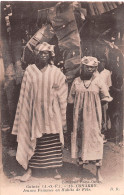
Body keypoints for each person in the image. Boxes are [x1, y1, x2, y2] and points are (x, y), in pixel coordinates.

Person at [12, 42, 68, 181]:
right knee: (34, 139)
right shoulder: (30, 71)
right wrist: (24, 116)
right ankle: (30, 170)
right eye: (41, 53)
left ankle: (54, 169)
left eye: (46, 53)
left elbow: (62, 95)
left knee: (52, 140)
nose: (43, 55)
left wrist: (62, 117)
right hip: (34, 113)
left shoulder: (56, 72)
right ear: (36, 54)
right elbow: (24, 95)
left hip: (52, 114)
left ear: (50, 55)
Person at [68, 56, 113, 182]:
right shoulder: (76, 81)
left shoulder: (99, 81)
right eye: (87, 67)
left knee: (96, 141)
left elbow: (105, 100)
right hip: (79, 119)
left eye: (93, 67)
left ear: (95, 68)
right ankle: (79, 172)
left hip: (94, 118)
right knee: (80, 142)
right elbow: (70, 101)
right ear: (82, 67)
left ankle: (98, 173)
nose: (90, 69)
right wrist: (71, 122)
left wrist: (104, 120)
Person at [98, 58, 112, 142]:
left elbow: (109, 85)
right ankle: (98, 133)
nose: (101, 64)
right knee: (97, 114)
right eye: (100, 62)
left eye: (103, 63)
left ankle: (104, 134)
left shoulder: (107, 73)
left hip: (104, 96)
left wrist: (105, 95)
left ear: (105, 63)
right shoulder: (95, 72)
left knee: (104, 115)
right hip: (96, 96)